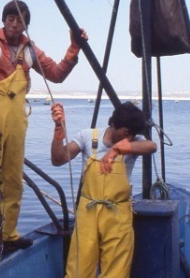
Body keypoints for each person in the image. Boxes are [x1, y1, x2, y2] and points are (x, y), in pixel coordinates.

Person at [0, 0, 88, 253]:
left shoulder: (30, 51)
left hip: (17, 117)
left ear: (26, 24)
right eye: (11, 19)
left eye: (20, 20)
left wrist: (74, 48)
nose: (15, 24)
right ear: (3, 20)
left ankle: (8, 234)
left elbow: (57, 74)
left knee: (13, 176)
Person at [50, 101, 157, 278]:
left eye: (133, 135)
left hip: (118, 214)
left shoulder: (133, 143)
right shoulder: (87, 137)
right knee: (78, 269)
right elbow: (58, 159)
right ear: (113, 123)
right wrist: (58, 135)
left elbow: (151, 147)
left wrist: (118, 149)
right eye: (126, 133)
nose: (128, 138)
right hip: (88, 212)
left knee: (117, 270)